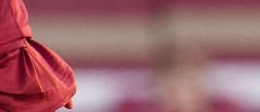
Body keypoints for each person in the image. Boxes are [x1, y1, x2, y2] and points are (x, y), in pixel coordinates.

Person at [107, 42, 251, 112]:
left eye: (190, 85)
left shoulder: (228, 108)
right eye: (173, 88)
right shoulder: (134, 108)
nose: (183, 95)